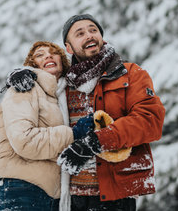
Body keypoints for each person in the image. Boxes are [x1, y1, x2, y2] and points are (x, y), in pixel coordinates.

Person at [9, 14, 166, 211]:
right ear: (68, 47)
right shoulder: (62, 83)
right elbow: (40, 80)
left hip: (116, 195)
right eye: (80, 33)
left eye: (93, 30)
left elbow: (150, 120)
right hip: (70, 198)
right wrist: (21, 74)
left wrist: (95, 142)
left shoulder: (129, 73)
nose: (89, 36)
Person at [0, 41, 94, 211]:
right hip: (21, 188)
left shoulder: (58, 95)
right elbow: (24, 140)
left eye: (54, 52)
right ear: (33, 65)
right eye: (40, 55)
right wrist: (73, 134)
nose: (48, 55)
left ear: (63, 63)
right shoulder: (25, 86)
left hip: (48, 194)